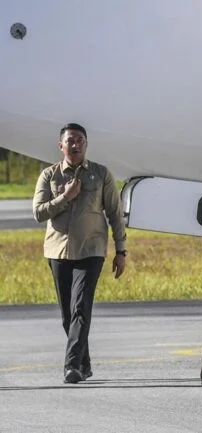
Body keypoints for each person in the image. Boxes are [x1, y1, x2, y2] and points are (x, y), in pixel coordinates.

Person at [32, 123, 127, 384]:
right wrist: (65, 197)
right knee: (67, 315)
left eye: (80, 140)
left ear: (86, 144)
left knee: (80, 308)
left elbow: (115, 214)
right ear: (60, 145)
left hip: (91, 250)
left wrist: (121, 250)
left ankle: (72, 366)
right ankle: (84, 364)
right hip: (58, 251)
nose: (75, 145)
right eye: (70, 141)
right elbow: (38, 213)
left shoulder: (101, 174)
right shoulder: (49, 175)